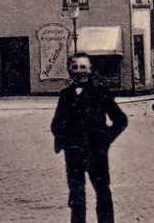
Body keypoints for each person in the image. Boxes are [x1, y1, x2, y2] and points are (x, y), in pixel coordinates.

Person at [51, 53, 128, 223]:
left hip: (96, 152)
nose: (79, 71)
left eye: (83, 67)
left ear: (91, 70)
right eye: (75, 67)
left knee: (102, 192)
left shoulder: (101, 92)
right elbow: (56, 123)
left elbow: (121, 120)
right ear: (69, 70)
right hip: (73, 154)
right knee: (76, 195)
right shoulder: (65, 94)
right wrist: (64, 141)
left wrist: (106, 139)